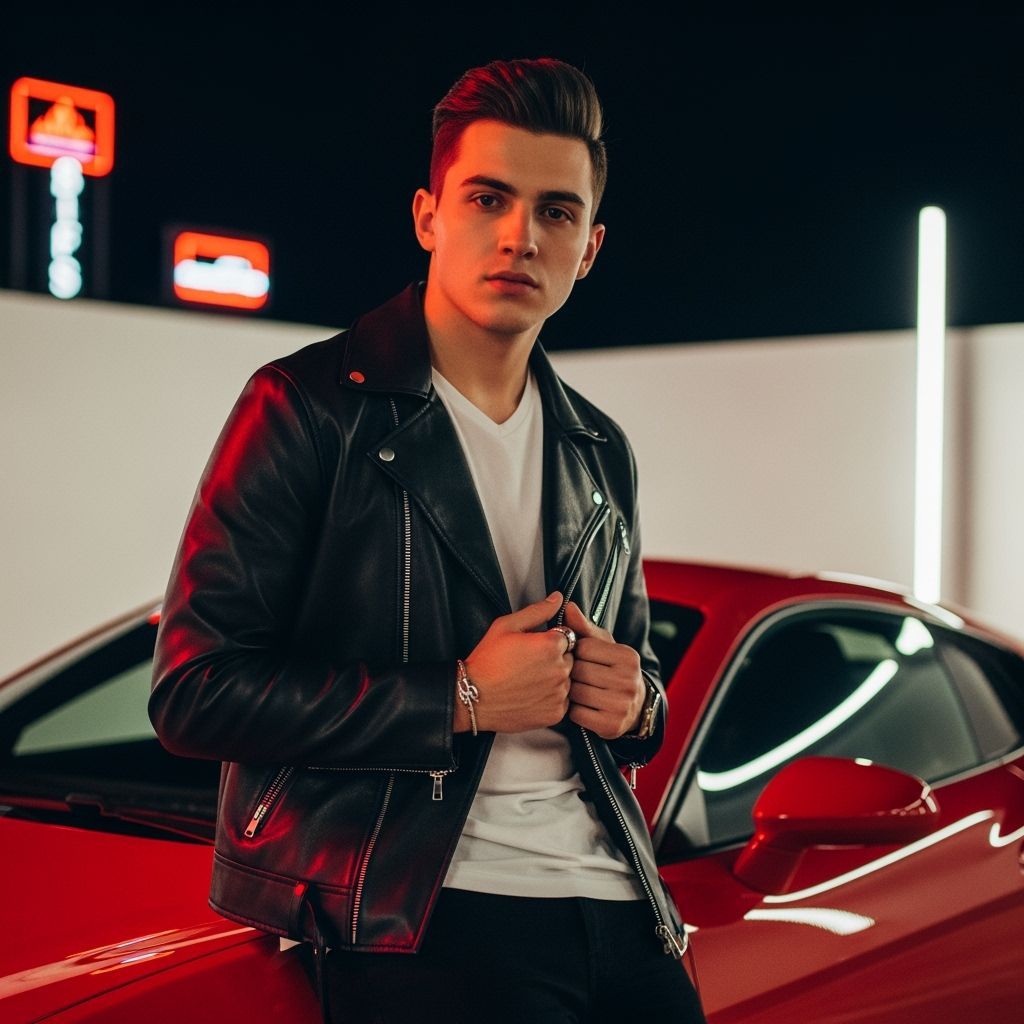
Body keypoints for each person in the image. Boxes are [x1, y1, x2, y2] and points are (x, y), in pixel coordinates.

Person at [150, 56, 706, 1024]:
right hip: (419, 910)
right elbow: (195, 691)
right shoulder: (308, 407)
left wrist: (638, 704)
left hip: (623, 902)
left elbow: (637, 675)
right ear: (427, 216)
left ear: (589, 247)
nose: (519, 235)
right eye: (487, 197)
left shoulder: (596, 444)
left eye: (555, 212)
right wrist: (458, 698)